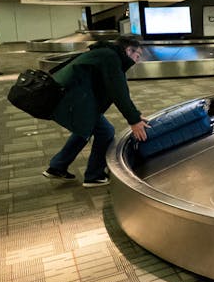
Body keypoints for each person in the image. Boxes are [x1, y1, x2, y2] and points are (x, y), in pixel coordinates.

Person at [43, 37, 149, 187]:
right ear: (128, 50)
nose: (137, 61)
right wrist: (134, 120)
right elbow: (118, 92)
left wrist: (135, 115)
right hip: (72, 99)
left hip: (71, 97)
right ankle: (94, 176)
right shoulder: (111, 58)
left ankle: (57, 167)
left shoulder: (106, 54)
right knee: (105, 131)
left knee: (85, 128)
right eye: (137, 56)